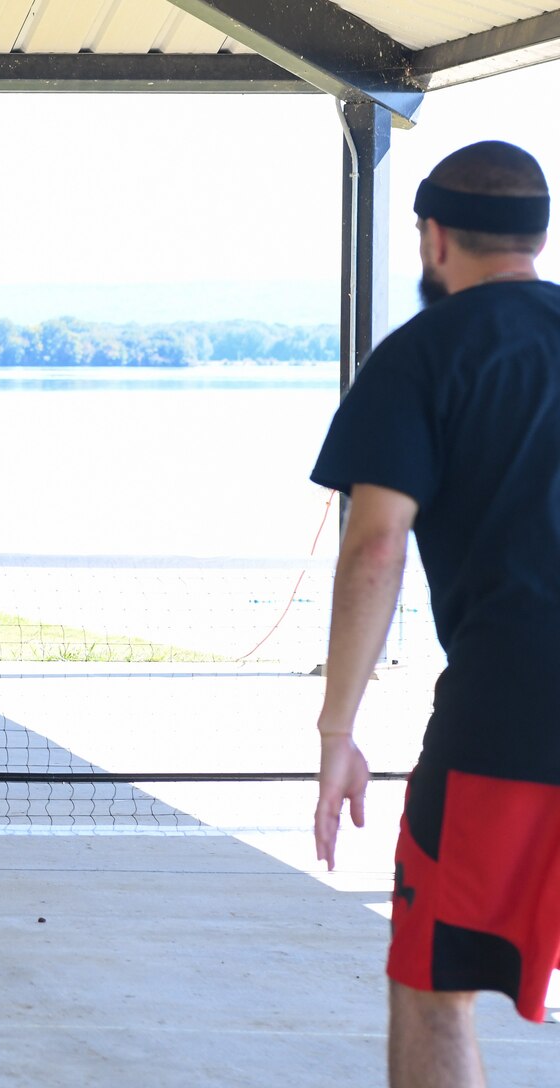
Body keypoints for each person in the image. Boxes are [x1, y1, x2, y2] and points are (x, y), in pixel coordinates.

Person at [311, 140, 560, 1088]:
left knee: (435, 981)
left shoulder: (422, 355)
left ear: (434, 236)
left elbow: (377, 544)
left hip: (509, 721)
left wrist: (339, 729)